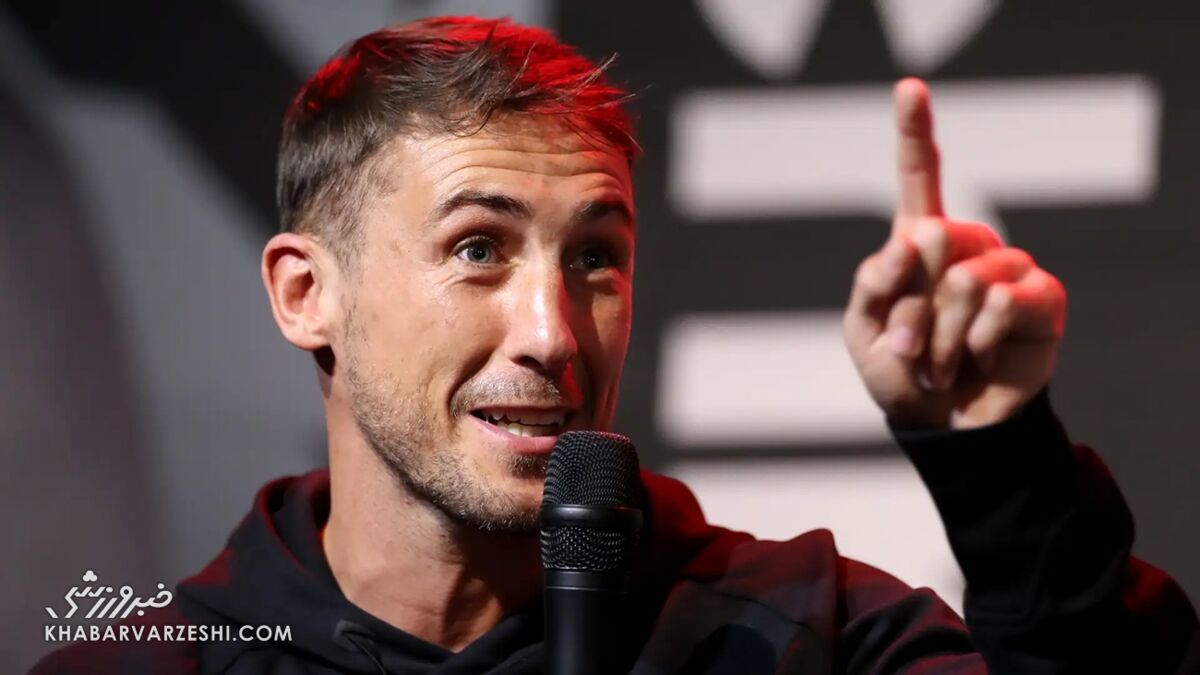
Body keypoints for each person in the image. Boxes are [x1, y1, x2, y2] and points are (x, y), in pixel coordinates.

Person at [32, 15, 1199, 674]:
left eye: (595, 257)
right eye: (478, 249)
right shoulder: (145, 668)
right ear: (305, 295)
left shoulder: (801, 638)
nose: (553, 333)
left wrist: (997, 456)